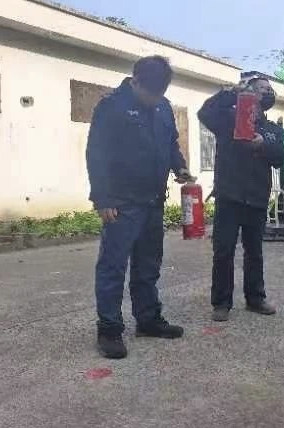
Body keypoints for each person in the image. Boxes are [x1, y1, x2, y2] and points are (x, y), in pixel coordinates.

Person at [86, 55, 193, 359]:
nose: (154, 99)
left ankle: (148, 320)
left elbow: (170, 143)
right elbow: (96, 153)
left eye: (160, 94)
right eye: (150, 93)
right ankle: (109, 329)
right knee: (113, 267)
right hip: (121, 203)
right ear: (135, 81)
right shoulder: (111, 106)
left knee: (148, 265)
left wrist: (179, 166)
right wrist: (103, 199)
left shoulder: (163, 106)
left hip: (153, 200)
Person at [198, 72, 284, 322]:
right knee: (223, 251)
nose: (267, 92)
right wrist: (230, 93)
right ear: (248, 92)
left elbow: (281, 158)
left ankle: (255, 298)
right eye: (261, 88)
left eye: (269, 89)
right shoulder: (228, 119)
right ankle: (221, 303)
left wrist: (262, 145)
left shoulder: (272, 130)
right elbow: (204, 113)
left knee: (254, 252)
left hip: (257, 197)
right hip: (230, 196)